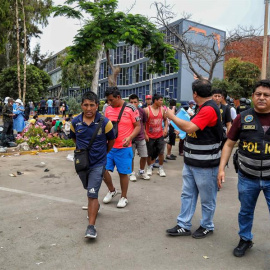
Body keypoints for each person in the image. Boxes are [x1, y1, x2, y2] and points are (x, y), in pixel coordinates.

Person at [218, 79, 270, 257]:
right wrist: (222, 168)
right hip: (248, 177)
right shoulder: (243, 117)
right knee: (246, 211)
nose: (262, 98)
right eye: (258, 94)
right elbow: (229, 144)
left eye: (266, 95)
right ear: (253, 96)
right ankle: (245, 239)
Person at [165, 79, 223, 239]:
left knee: (207, 197)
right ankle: (183, 224)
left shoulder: (209, 109)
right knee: (187, 195)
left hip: (206, 164)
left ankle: (207, 225)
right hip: (192, 162)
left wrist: (171, 116)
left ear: (195, 94)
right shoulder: (202, 107)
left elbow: (190, 127)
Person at [70, 91, 115, 239]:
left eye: (92, 105)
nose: (89, 108)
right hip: (82, 164)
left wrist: (102, 154)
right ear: (82, 105)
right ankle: (95, 207)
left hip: (98, 163)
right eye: (85, 105)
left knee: (92, 193)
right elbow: (74, 139)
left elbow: (111, 141)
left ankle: (91, 227)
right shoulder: (75, 123)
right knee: (89, 190)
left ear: (97, 105)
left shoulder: (105, 122)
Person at [103, 87, 141, 208]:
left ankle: (123, 197)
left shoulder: (131, 108)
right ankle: (112, 190)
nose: (109, 103)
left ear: (118, 97)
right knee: (102, 170)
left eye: (111, 100)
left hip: (124, 147)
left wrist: (130, 138)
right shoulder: (108, 109)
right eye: (108, 100)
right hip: (109, 147)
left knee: (123, 173)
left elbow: (138, 126)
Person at [144, 94, 168, 177]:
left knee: (161, 153)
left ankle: (161, 168)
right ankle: (149, 167)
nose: (162, 102)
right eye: (160, 100)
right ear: (155, 101)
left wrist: (165, 129)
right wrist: (145, 134)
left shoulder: (162, 110)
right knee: (149, 153)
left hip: (159, 135)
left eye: (162, 100)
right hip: (150, 136)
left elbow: (165, 120)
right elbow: (142, 124)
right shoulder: (147, 110)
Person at [128, 94, 150, 181]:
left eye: (135, 102)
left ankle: (141, 172)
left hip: (141, 137)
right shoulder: (126, 112)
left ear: (138, 103)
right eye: (131, 102)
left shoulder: (142, 111)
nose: (133, 104)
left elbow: (144, 123)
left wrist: (145, 134)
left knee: (144, 155)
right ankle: (131, 173)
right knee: (131, 157)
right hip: (131, 138)